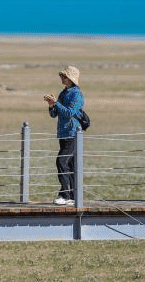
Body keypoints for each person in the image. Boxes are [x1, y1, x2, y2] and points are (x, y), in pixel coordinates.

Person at [44, 65, 84, 206]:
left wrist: (57, 104)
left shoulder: (76, 94)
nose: (62, 78)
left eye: (65, 76)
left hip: (73, 133)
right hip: (63, 133)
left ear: (71, 78)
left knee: (61, 162)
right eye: (62, 76)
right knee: (70, 164)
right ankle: (73, 195)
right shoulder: (63, 93)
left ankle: (65, 195)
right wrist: (51, 105)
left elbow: (69, 113)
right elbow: (54, 114)